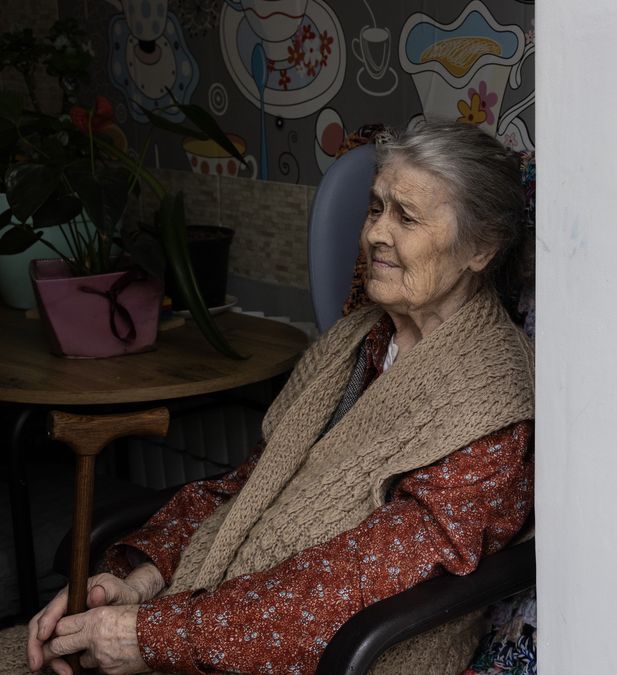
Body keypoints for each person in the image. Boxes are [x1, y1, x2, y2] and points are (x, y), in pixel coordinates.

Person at [1, 121, 535, 675]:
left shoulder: (492, 401)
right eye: (375, 209)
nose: (376, 233)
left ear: (481, 247)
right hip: (210, 616)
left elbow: (353, 587)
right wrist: (139, 579)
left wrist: (151, 636)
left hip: (342, 656)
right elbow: (248, 487)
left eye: (407, 216)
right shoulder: (356, 340)